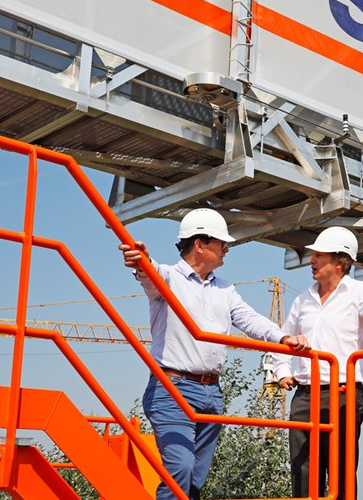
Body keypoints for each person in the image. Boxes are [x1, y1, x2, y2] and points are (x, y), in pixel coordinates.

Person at [120, 208, 309, 500]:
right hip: (172, 389)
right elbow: (150, 273)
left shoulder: (225, 290)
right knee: (180, 468)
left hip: (211, 392)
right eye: (221, 243)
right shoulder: (169, 278)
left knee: (196, 475)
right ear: (200, 244)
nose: (227, 249)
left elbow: (249, 319)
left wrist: (283, 337)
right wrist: (141, 262)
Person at [273, 226, 363, 500]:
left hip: (343, 395)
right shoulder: (303, 300)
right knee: (302, 471)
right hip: (304, 396)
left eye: (318, 255)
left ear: (339, 262)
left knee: (341, 471)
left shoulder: (361, 292)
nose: (311, 260)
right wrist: (281, 371)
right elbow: (285, 337)